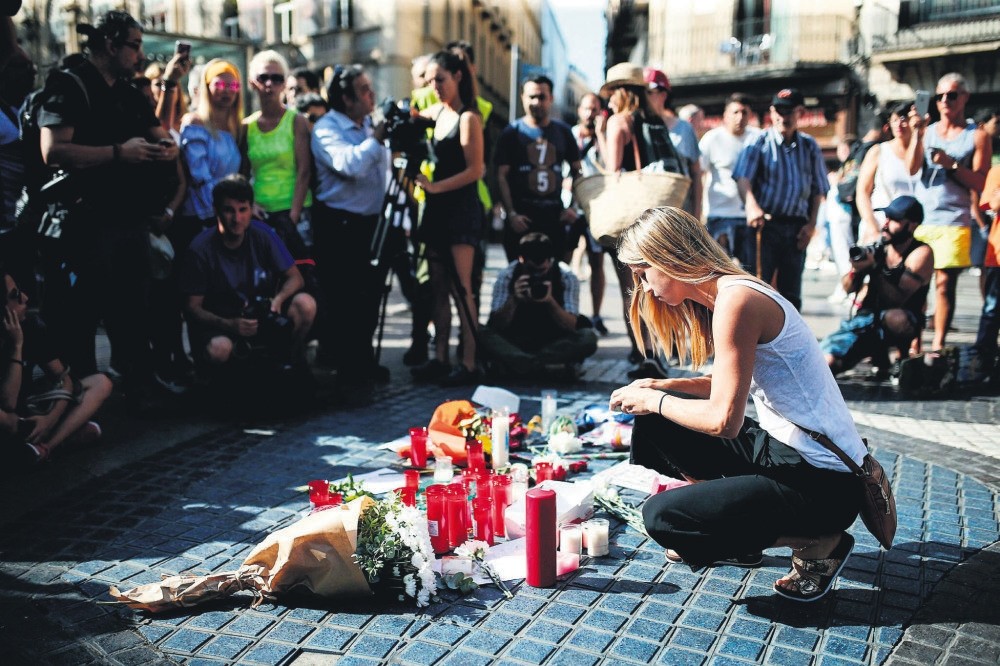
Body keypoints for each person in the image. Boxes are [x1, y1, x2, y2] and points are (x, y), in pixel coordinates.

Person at [609, 206, 865, 602]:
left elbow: (724, 420)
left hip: (826, 486)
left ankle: (819, 541)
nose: (643, 287)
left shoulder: (737, 301)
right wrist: (663, 386)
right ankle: (737, 532)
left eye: (643, 274)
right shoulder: (731, 291)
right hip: (790, 455)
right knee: (652, 418)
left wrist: (655, 398)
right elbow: (732, 381)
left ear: (667, 257)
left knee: (661, 517)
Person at [36, 10, 179, 411]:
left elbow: (160, 135)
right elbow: (53, 150)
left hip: (129, 219)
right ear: (109, 44)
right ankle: (81, 397)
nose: (140, 53)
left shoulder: (130, 92)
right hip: (85, 221)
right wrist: (119, 153)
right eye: (133, 45)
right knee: (80, 316)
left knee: (134, 308)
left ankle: (140, 384)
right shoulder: (70, 84)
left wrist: (166, 147)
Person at [179, 175, 316, 372]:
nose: (237, 219)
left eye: (243, 210)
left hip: (259, 316)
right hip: (221, 322)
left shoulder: (263, 234)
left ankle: (291, 364)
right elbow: (192, 308)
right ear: (217, 210)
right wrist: (229, 324)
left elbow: (295, 278)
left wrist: (277, 301)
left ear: (251, 209)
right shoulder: (200, 249)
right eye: (229, 210)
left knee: (305, 304)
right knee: (220, 349)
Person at [599, 62, 683, 379]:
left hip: (630, 221)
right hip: (658, 221)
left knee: (632, 290)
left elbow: (612, 174)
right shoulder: (656, 122)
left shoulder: (619, 122)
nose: (608, 101)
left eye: (610, 94)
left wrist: (600, 134)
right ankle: (660, 349)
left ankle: (643, 351)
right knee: (658, 289)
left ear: (621, 93)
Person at [311, 64, 389, 401]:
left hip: (371, 223)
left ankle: (364, 362)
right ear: (346, 98)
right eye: (364, 90)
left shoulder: (367, 124)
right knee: (345, 302)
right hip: (340, 226)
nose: (371, 95)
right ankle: (348, 376)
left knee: (369, 298)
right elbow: (349, 166)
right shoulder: (327, 128)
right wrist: (378, 140)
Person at [410, 50, 485, 386]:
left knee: (462, 288)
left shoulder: (469, 117)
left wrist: (436, 187)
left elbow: (476, 170)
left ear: (457, 76)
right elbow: (410, 118)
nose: (434, 86)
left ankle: (468, 362)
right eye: (429, 80)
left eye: (440, 79)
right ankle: (439, 357)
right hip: (438, 210)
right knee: (437, 287)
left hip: (461, 211)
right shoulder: (437, 112)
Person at [2, 270, 112, 466]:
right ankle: (53, 440)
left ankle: (45, 448)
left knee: (101, 383)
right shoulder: (16, 336)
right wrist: (16, 346)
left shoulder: (31, 326)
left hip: (29, 410)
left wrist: (49, 420)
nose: (25, 298)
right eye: (15, 296)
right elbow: (8, 402)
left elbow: (64, 380)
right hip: (10, 419)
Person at [916, 73, 992, 353]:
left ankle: (937, 345)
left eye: (952, 95)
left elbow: (983, 183)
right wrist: (915, 134)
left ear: (965, 98)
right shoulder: (927, 131)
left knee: (945, 284)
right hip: (922, 216)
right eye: (940, 96)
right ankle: (914, 344)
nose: (945, 101)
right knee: (917, 284)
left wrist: (952, 166)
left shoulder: (978, 136)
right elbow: (912, 169)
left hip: (954, 218)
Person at [734, 87, 828, 311]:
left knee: (791, 293)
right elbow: (742, 179)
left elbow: (818, 189)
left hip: (797, 227)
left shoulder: (810, 145)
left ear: (800, 113)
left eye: (789, 112)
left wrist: (811, 224)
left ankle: (789, 343)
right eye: (778, 111)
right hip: (765, 225)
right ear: (772, 112)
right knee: (758, 287)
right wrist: (751, 206)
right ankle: (757, 342)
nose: (782, 117)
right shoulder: (759, 142)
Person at [821, 195, 933, 377]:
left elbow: (896, 298)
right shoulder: (879, 247)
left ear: (911, 225)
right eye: (886, 218)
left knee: (895, 317)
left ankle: (901, 355)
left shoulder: (921, 253)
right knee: (828, 362)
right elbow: (847, 288)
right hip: (866, 321)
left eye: (894, 220)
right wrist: (856, 270)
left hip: (902, 320)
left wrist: (875, 267)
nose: (886, 224)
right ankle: (875, 355)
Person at [480, 233, 597, 378]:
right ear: (521, 260)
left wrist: (550, 301)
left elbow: (571, 325)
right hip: (515, 340)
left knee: (587, 337)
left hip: (552, 342)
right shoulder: (507, 276)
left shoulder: (566, 276)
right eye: (531, 271)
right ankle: (544, 368)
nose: (536, 276)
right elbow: (495, 325)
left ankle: (522, 365)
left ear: (550, 261)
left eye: (541, 271)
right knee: (476, 331)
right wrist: (514, 299)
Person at [496, 75, 581, 261]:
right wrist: (511, 214)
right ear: (523, 98)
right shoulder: (511, 132)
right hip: (521, 218)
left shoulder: (563, 132)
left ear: (551, 98)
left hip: (554, 217)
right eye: (531, 97)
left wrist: (572, 207)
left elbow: (578, 172)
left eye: (542, 97)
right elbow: (501, 175)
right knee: (518, 275)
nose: (536, 102)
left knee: (557, 276)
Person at [243, 50, 313, 261]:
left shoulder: (296, 121)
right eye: (263, 77)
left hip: (295, 212)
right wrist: (251, 205)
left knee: (302, 275)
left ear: (284, 84)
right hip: (259, 213)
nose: (269, 84)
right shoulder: (246, 127)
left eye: (276, 78)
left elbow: (304, 171)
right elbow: (243, 174)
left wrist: (292, 217)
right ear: (252, 83)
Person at [698, 92, 760, 264]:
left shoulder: (757, 138)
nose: (740, 117)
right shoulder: (712, 138)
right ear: (725, 115)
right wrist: (699, 210)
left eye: (744, 112)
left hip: (749, 216)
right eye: (735, 112)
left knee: (750, 272)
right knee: (717, 270)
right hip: (719, 214)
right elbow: (699, 174)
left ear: (750, 115)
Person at [569, 92, 610, 334]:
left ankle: (596, 314)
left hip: (596, 208)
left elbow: (610, 164)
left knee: (597, 262)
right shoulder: (570, 135)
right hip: (571, 206)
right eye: (586, 108)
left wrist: (602, 134)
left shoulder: (603, 137)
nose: (589, 114)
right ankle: (568, 313)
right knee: (565, 258)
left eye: (594, 109)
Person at [856, 102, 923, 244]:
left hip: (913, 228)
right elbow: (862, 193)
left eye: (903, 119)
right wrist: (872, 225)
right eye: (894, 120)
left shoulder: (923, 152)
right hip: (881, 224)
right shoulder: (879, 151)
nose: (899, 124)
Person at [644, 68, 703, 220]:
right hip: (647, 214)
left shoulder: (684, 129)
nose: (643, 96)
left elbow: (696, 173)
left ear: (663, 95)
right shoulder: (636, 127)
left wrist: (696, 216)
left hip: (680, 214)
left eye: (648, 91)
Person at [972, 165, 1000, 382]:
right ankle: (984, 357)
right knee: (992, 309)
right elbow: (994, 203)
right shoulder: (997, 171)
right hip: (998, 253)